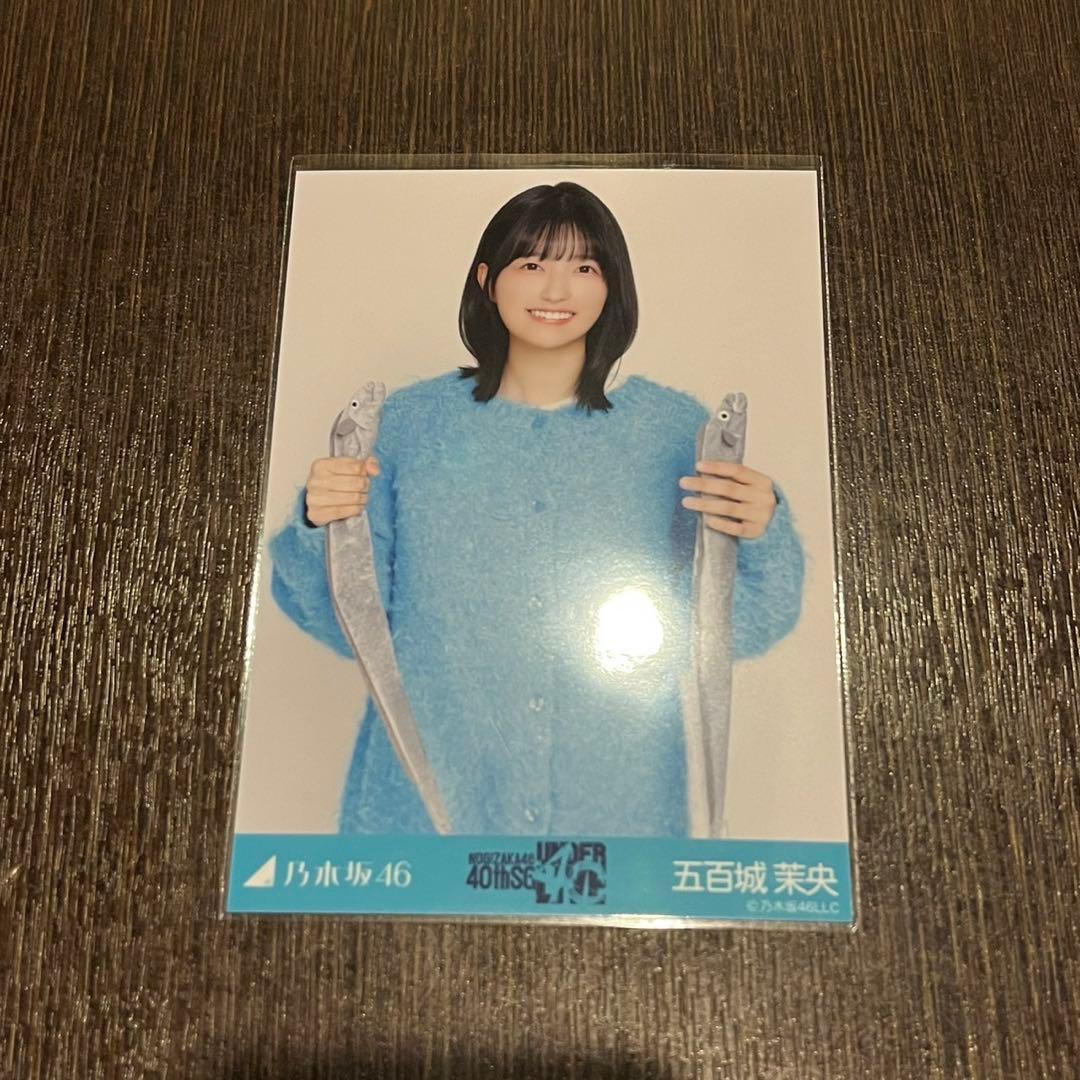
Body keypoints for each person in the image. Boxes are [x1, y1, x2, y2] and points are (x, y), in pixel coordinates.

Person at [268, 181, 805, 837]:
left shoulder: (672, 432)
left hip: (616, 812)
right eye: (532, 264)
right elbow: (345, 625)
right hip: (423, 814)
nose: (556, 290)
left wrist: (760, 533)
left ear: (612, 287)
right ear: (487, 281)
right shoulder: (408, 428)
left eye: (584, 268)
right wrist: (322, 524)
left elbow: (735, 631)